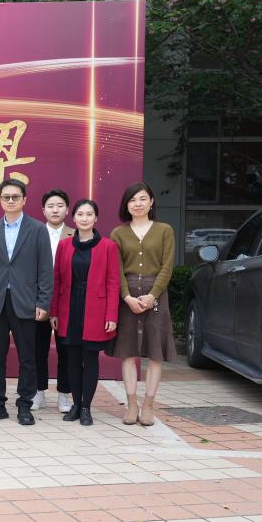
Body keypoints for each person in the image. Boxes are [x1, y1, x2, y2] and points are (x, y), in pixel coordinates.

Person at [0, 179, 53, 426]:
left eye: (15, 197)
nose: (10, 201)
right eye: (6, 197)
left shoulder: (37, 229)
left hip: (26, 301)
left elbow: (45, 269)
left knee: (27, 357)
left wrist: (43, 301)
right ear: (0, 200)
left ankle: (24, 405)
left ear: (24, 200)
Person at [110, 182, 175, 427]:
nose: (137, 204)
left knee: (155, 352)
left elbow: (167, 267)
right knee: (127, 352)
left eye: (142, 199)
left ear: (151, 201)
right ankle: (131, 404)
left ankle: (148, 405)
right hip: (127, 296)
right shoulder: (118, 233)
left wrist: (153, 295)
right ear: (126, 205)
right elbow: (116, 269)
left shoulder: (164, 230)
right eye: (132, 200)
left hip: (155, 295)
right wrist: (126, 297)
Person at [49, 199, 119, 426]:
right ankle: (76, 405)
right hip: (69, 308)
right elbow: (57, 281)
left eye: (89, 214)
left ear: (96, 218)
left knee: (90, 359)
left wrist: (111, 316)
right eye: (80, 214)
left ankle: (87, 407)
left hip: (95, 310)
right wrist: (54, 312)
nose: (84, 218)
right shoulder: (64, 245)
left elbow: (113, 283)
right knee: (71, 359)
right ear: (74, 218)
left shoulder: (108, 246)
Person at [38, 189, 74, 413]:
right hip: (39, 300)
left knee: (66, 351)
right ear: (43, 210)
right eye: (50, 206)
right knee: (37, 350)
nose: (55, 210)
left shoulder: (76, 234)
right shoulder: (34, 232)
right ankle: (38, 392)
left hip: (65, 301)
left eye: (60, 206)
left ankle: (64, 395)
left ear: (67, 210)